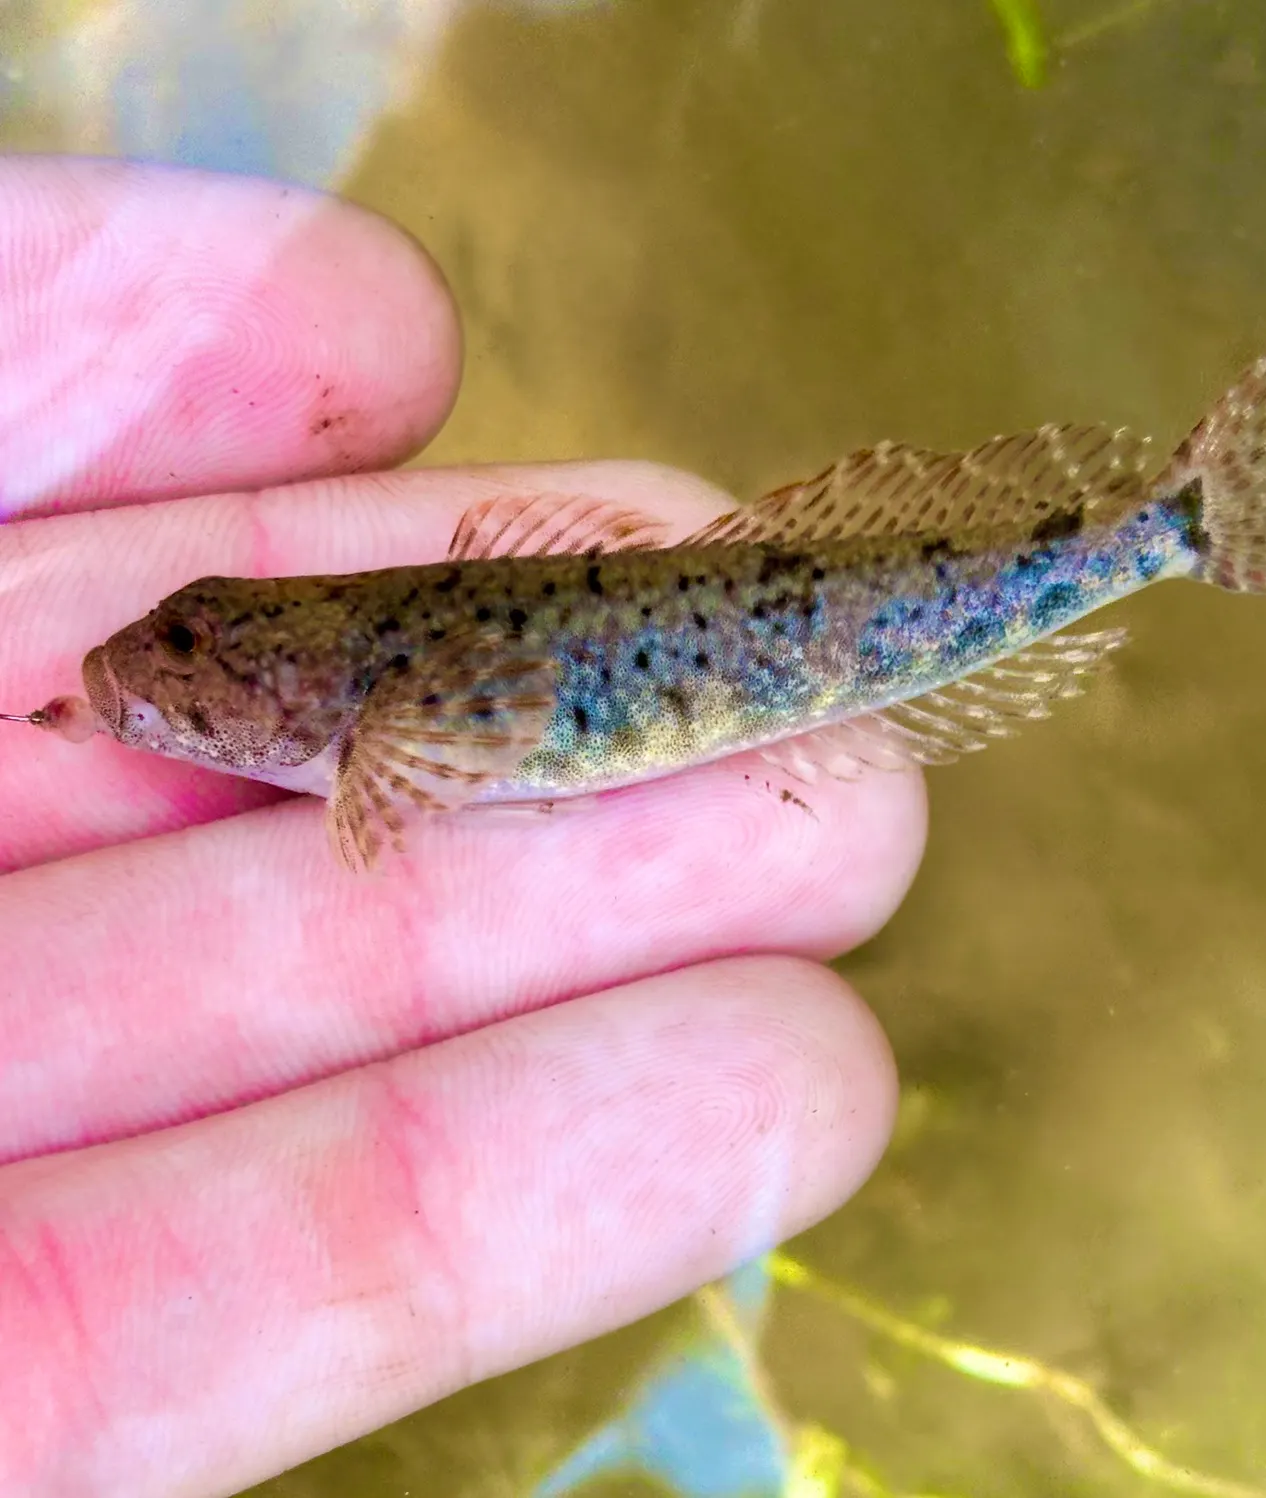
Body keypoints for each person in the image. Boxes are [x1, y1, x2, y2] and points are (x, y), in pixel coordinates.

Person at [0, 156, 926, 1496]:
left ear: (306, 685)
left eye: (196, 658)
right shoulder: (350, 697)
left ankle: (1169, 529)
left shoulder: (383, 724)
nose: (157, 678)